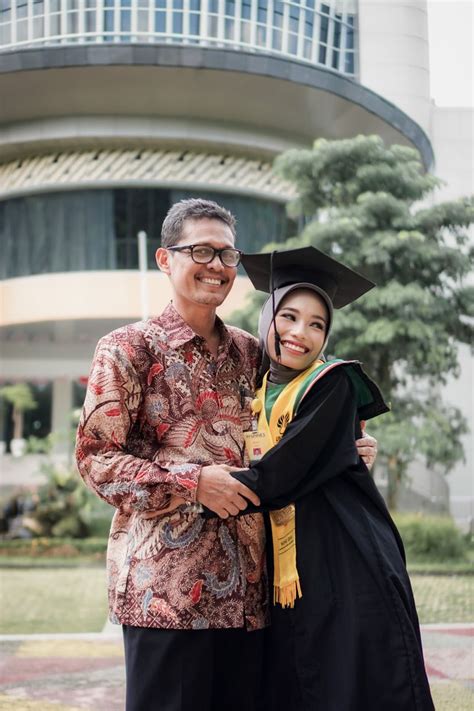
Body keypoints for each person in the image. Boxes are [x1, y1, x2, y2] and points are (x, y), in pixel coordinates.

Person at [75, 199, 377, 711]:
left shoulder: (251, 351)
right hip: (165, 597)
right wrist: (192, 483)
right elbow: (96, 460)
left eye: (227, 255)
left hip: (252, 602)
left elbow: (301, 410)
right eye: (201, 251)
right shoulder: (128, 349)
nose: (216, 265)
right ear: (165, 259)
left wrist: (347, 449)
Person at [221, 246, 435, 710]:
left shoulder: (332, 383)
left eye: (317, 324)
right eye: (290, 317)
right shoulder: (254, 387)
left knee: (349, 687)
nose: (301, 333)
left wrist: (196, 488)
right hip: (289, 572)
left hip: (344, 563)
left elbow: (282, 473)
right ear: (267, 317)